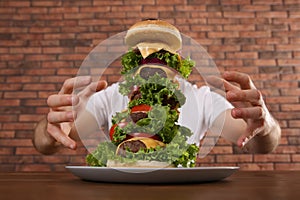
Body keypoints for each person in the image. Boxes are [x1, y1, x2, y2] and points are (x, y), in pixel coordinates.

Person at [33, 21, 281, 156]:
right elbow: (48, 144)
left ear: (178, 63)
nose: (150, 65)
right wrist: (53, 128)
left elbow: (255, 143)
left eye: (162, 57)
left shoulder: (202, 98)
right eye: (142, 57)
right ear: (131, 62)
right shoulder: (109, 96)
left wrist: (265, 126)